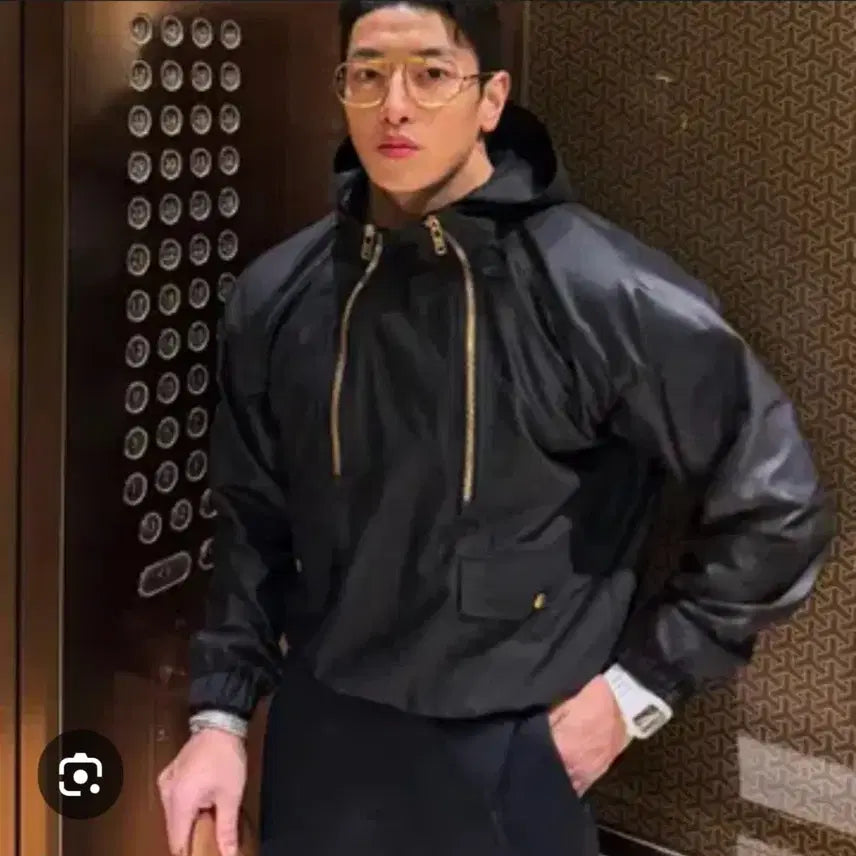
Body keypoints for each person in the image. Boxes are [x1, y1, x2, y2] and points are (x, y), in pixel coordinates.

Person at [157, 1, 835, 854]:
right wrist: (219, 717)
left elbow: (779, 509)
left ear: (491, 98)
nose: (394, 105)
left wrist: (633, 696)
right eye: (367, 74)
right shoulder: (279, 295)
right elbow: (253, 523)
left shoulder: (599, 291)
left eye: (431, 74)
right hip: (323, 743)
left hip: (516, 750)